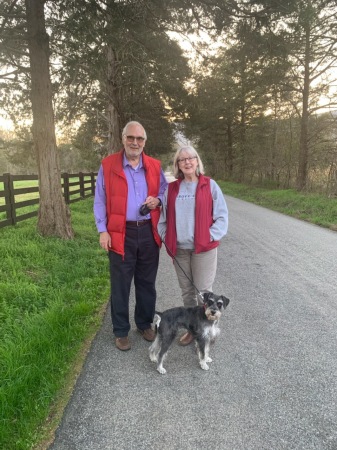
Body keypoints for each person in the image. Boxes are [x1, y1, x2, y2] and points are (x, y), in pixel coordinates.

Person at [94, 121, 168, 351]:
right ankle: (120, 331)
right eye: (131, 138)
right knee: (120, 284)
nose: (135, 143)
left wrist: (158, 200)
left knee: (147, 282)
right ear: (123, 138)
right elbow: (99, 199)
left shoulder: (155, 166)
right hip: (119, 232)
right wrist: (102, 230)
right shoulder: (108, 165)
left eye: (140, 139)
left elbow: (165, 190)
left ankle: (144, 324)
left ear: (145, 142)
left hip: (147, 230)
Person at [157, 145, 228, 346]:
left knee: (203, 291)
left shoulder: (210, 185)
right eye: (182, 159)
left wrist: (209, 236)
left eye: (191, 158)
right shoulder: (171, 189)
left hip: (203, 249)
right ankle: (192, 328)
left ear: (197, 161)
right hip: (179, 249)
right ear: (178, 165)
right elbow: (162, 219)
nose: (187, 162)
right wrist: (165, 237)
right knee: (187, 291)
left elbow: (222, 216)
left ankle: (206, 329)